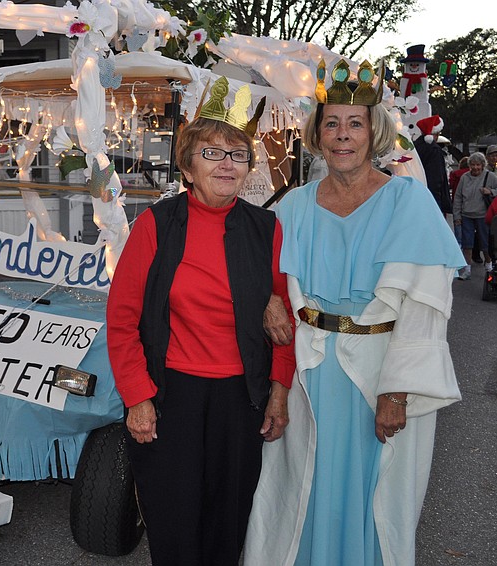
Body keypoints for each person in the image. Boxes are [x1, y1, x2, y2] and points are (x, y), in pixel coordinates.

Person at [243, 58, 465, 566]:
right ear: (317, 135)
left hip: (380, 372)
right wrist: (271, 298)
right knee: (300, 485)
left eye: (355, 124)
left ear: (374, 132)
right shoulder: (292, 206)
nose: (343, 135)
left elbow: (427, 306)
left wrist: (397, 390)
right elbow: (263, 276)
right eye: (332, 123)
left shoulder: (409, 201)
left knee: (374, 492)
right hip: (310, 372)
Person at [106, 77, 296, 566]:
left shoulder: (266, 228)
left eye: (237, 154)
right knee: (173, 520)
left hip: (242, 398)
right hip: (173, 396)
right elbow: (123, 319)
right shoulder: (156, 224)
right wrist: (138, 396)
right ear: (188, 167)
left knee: (228, 521)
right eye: (212, 153)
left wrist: (278, 391)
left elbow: (283, 319)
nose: (227, 163)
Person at [452, 151, 497, 278]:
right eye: (473, 165)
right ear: (469, 165)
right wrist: (457, 216)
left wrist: (490, 191)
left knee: (485, 243)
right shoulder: (464, 177)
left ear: (483, 165)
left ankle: (488, 264)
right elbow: (458, 197)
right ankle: (467, 269)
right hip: (466, 215)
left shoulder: (490, 176)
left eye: (478, 165)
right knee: (467, 244)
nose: (475, 168)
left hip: (483, 215)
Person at [414, 115, 452, 214]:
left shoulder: (415, 147)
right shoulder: (434, 150)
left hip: (415, 193)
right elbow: (436, 178)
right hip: (431, 196)